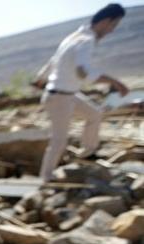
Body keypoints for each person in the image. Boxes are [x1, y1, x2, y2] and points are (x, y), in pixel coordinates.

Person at [33, 3, 129, 181]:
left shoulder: (74, 37)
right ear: (106, 21)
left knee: (94, 115)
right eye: (113, 26)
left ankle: (87, 152)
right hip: (60, 97)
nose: (112, 31)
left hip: (67, 94)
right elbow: (83, 72)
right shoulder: (86, 41)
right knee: (59, 141)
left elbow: (54, 60)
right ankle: (45, 178)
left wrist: (40, 77)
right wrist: (116, 82)